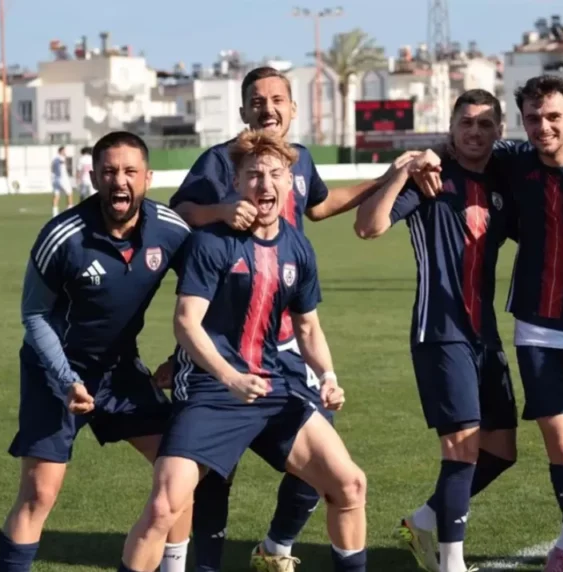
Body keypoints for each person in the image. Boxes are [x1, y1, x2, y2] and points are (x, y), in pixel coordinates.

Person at [169, 66, 403, 572]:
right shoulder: (221, 160)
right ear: (243, 111)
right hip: (229, 339)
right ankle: (204, 561)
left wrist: (384, 180)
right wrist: (220, 211)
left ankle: (276, 546)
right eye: (258, 100)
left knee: (326, 460)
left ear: (293, 109)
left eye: (278, 99)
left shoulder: (299, 160)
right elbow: (179, 212)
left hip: (288, 337)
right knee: (213, 473)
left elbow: (319, 207)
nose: (268, 108)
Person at [413, 75, 563, 572]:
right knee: (562, 445)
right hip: (537, 330)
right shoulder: (515, 162)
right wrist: (428, 155)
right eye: (533, 118)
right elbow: (466, 140)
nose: (543, 126)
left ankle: (562, 543)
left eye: (553, 117)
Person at [118, 129, 367, 572]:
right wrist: (229, 377)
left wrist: (328, 377)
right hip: (211, 392)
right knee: (163, 506)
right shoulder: (211, 242)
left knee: (350, 485)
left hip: (271, 388)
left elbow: (308, 327)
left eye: (274, 174)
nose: (264, 184)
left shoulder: (298, 247)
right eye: (253, 175)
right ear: (236, 182)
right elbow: (185, 322)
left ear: (290, 182)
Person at [0, 131, 193, 572]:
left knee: (179, 473)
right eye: (109, 171)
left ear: (147, 177)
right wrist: (67, 380)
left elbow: (204, 294)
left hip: (120, 371)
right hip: (55, 375)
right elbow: (34, 316)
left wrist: (180, 358)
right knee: (39, 493)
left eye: (130, 171)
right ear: (93, 177)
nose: (119, 181)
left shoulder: (171, 230)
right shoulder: (63, 236)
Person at [354, 89, 519, 572]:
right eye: (466, 122)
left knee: (502, 449)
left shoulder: (502, 183)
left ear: (498, 131)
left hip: (485, 334)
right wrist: (403, 170)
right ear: (451, 128)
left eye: (485, 124)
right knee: (462, 447)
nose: (474, 132)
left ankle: (424, 519)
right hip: (440, 330)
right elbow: (368, 226)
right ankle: (452, 562)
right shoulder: (429, 178)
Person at [51, 146, 73, 217]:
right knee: (69, 194)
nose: (65, 152)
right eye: (64, 151)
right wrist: (65, 158)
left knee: (56, 195)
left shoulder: (54, 159)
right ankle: (70, 210)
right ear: (61, 151)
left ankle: (55, 213)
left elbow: (52, 168)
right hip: (63, 179)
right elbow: (62, 162)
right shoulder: (60, 158)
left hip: (55, 179)